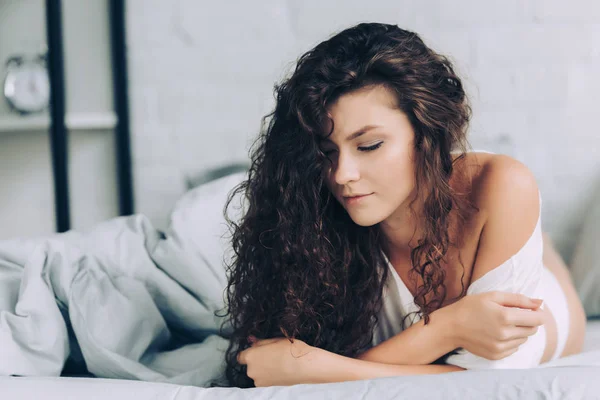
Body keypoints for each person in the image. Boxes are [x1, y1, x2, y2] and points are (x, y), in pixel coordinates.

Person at [218, 22, 587, 388]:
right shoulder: (315, 219)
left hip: (550, 317)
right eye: (327, 152)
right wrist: (448, 327)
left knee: (559, 288)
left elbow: (486, 382)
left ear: (425, 133)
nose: (342, 174)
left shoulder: (502, 183)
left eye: (369, 146)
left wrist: (312, 369)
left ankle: (547, 255)